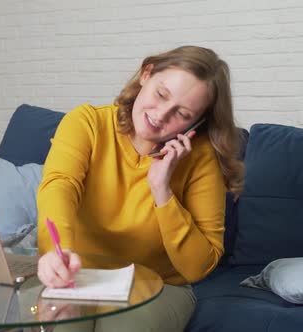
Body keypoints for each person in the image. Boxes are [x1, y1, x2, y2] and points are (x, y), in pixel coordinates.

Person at [35, 45, 245, 331]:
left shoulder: (201, 158)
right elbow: (60, 186)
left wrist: (162, 189)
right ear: (146, 74)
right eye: (161, 94)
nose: (160, 115)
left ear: (197, 122)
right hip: (79, 276)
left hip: (159, 284)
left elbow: (198, 267)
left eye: (182, 114)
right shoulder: (87, 123)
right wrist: (56, 251)